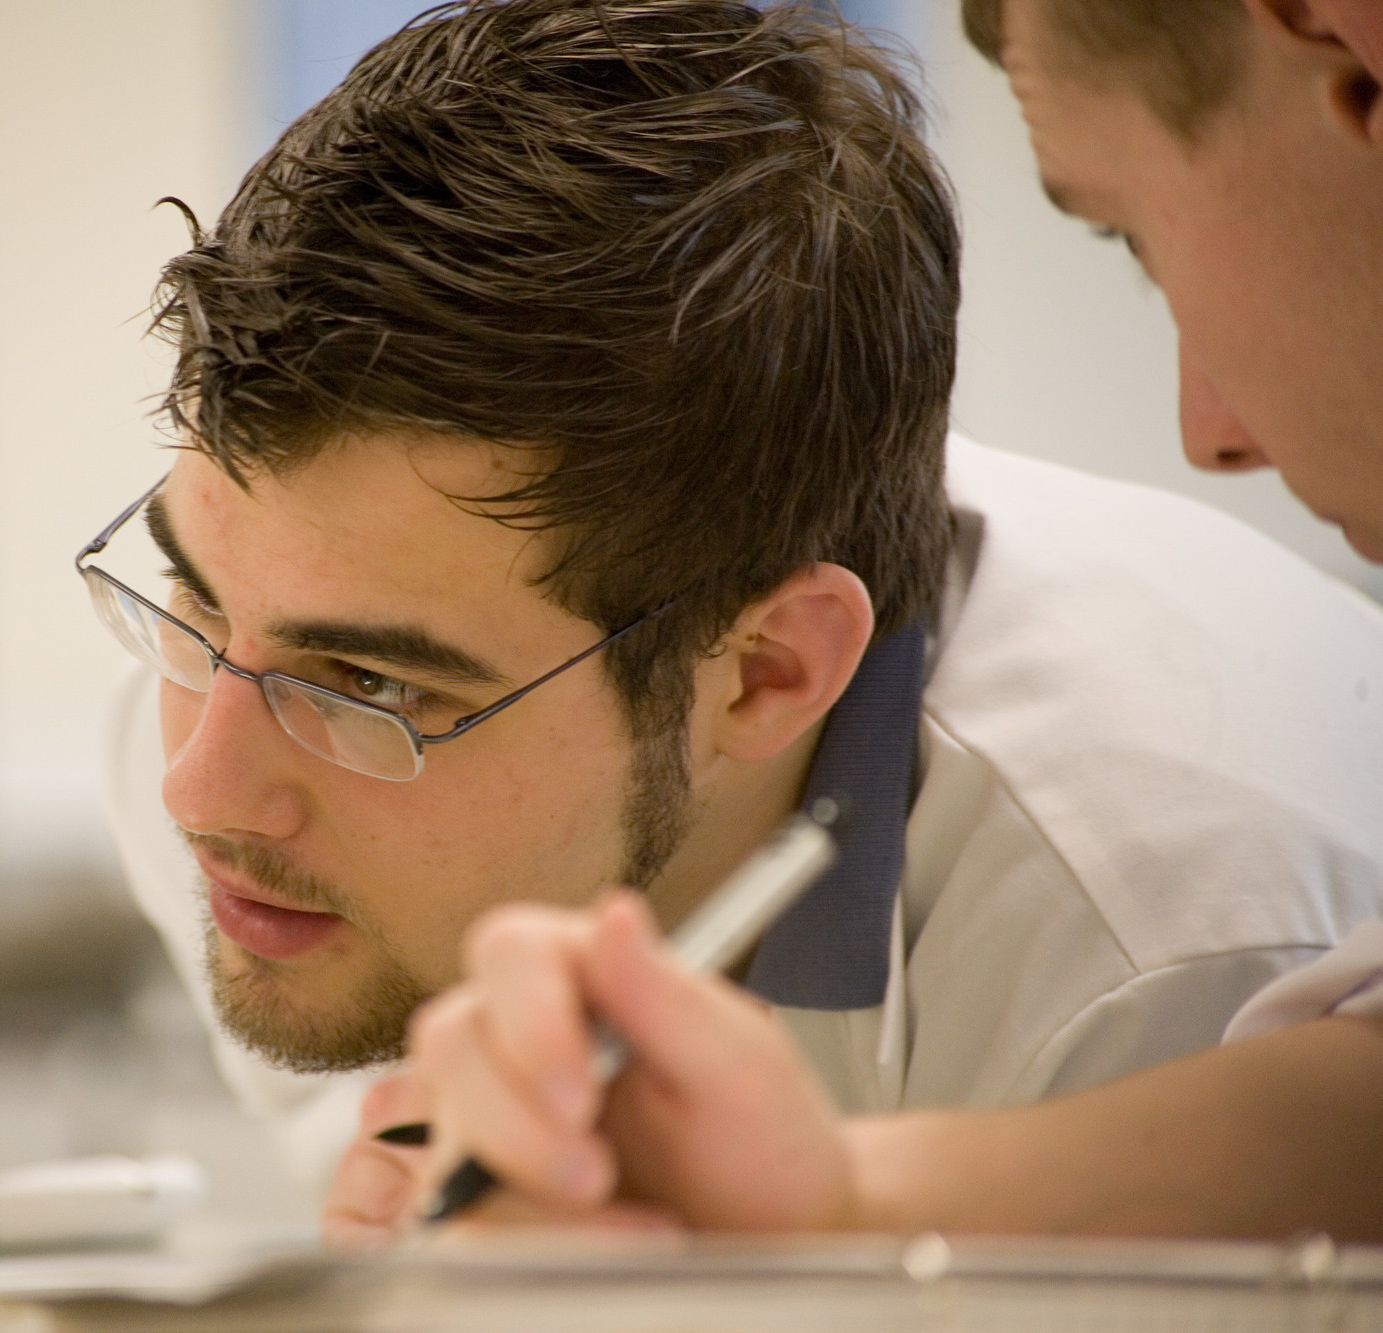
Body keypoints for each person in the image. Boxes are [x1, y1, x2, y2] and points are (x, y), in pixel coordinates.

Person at [90, 0, 1383, 1203]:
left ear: (765, 672)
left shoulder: (1159, 958)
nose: (196, 793)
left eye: (369, 686)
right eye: (191, 603)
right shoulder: (244, 756)